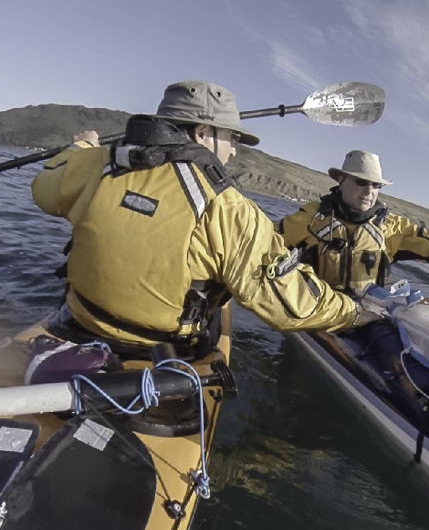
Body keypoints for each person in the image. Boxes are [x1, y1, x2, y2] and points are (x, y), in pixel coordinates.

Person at [31, 80, 376, 357]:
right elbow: (290, 305)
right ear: (201, 133)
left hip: (76, 324)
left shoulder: (97, 163)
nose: (234, 149)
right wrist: (353, 313)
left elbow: (44, 190)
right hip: (164, 354)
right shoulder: (228, 206)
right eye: (231, 137)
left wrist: (80, 149)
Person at [278, 150, 429, 296]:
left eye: (376, 185)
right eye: (361, 182)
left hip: (367, 310)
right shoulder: (311, 217)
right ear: (341, 182)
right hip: (316, 308)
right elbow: (270, 240)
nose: (369, 191)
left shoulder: (391, 227)